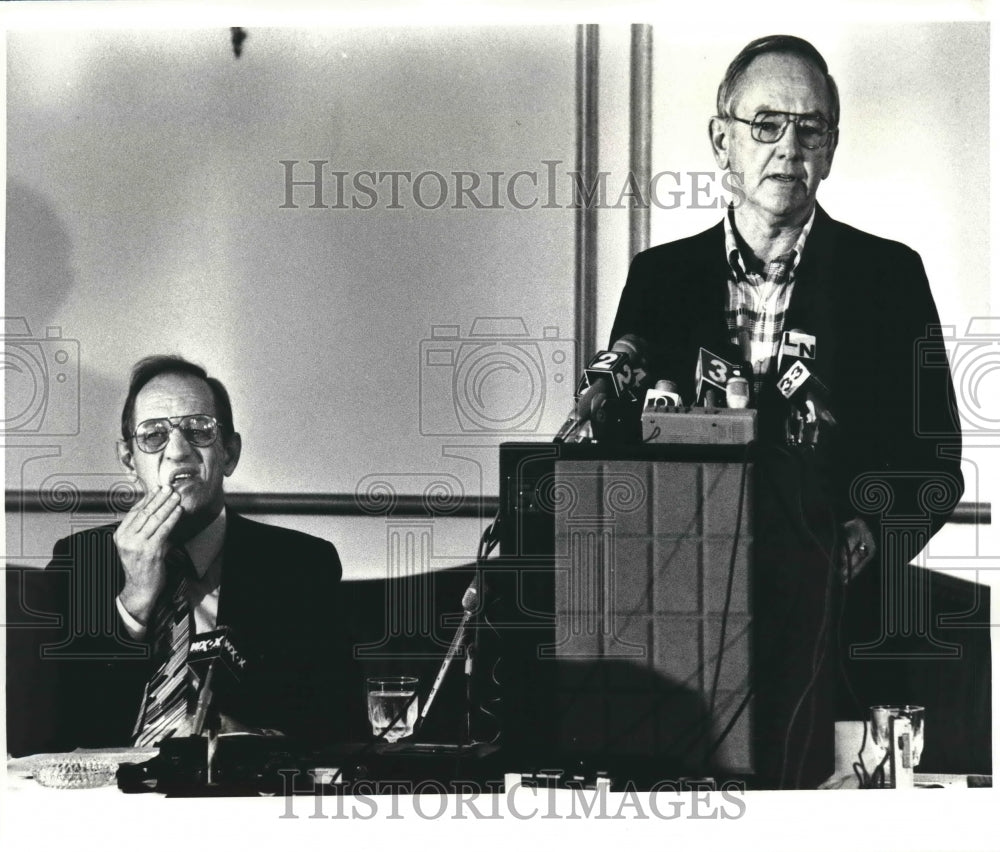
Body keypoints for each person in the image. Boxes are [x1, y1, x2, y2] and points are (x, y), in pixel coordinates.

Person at [609, 35, 968, 786]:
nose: (788, 148)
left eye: (811, 128)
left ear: (831, 149)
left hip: (845, 644)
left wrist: (869, 535)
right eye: (766, 124)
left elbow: (935, 465)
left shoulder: (889, 278)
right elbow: (615, 452)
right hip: (686, 648)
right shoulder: (660, 280)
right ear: (722, 141)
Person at [10, 356, 362, 754]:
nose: (179, 451)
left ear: (229, 453)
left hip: (238, 802)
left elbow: (343, 730)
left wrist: (248, 740)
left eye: (199, 430)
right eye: (154, 436)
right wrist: (134, 602)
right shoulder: (81, 561)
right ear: (129, 461)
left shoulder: (300, 566)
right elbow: (41, 739)